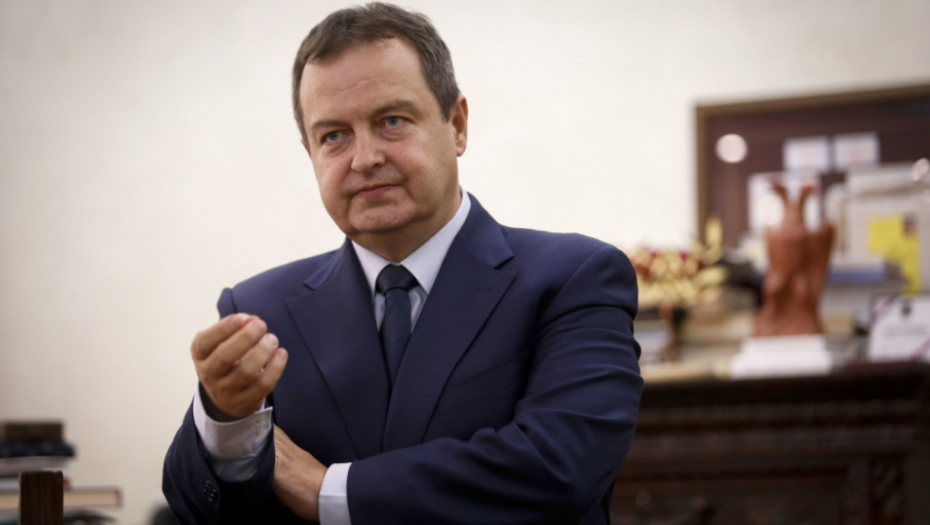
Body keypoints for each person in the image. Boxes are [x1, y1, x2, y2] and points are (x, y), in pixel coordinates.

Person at [162, 3, 642, 524]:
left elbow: (558, 467)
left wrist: (328, 491)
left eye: (391, 121)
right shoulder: (260, 309)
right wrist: (227, 420)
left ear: (457, 125)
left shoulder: (572, 278)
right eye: (333, 136)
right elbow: (194, 511)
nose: (364, 158)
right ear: (309, 152)